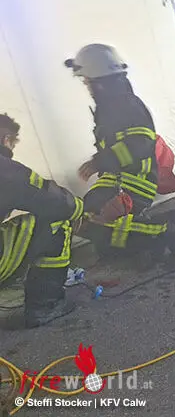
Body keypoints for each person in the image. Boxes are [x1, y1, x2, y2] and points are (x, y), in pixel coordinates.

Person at [64, 44, 175, 259]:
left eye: (87, 81)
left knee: (91, 220)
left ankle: (167, 227)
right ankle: (132, 239)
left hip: (135, 181)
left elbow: (140, 144)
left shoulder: (126, 105)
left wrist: (98, 162)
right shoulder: (111, 105)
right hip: (115, 179)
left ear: (100, 82)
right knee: (91, 226)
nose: (86, 86)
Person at [0, 115, 84, 328]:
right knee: (56, 220)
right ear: (6, 139)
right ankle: (45, 306)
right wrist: (80, 209)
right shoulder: (5, 169)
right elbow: (51, 198)